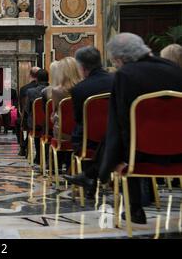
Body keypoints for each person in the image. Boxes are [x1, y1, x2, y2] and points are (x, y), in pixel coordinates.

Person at [69, 33, 182, 224]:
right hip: (179, 150)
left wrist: (116, 158)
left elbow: (121, 122)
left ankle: (134, 208)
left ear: (120, 59)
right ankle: (92, 174)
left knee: (124, 135)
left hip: (141, 154)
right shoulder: (174, 68)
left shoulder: (125, 75)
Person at [62, 46, 114, 195]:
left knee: (81, 132)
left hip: (88, 141)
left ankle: (89, 181)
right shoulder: (118, 80)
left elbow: (78, 119)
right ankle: (92, 177)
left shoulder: (80, 89)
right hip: (117, 137)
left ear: (81, 66)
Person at [50, 57, 82, 140]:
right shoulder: (84, 87)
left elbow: (54, 114)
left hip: (63, 132)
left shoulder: (56, 91)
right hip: (83, 131)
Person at [23, 69, 49, 162]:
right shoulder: (53, 90)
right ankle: (47, 155)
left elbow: (27, 109)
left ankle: (38, 156)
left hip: (36, 124)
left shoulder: (31, 92)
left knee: (36, 123)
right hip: (50, 123)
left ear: (36, 79)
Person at [17, 67, 40, 155]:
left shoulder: (24, 89)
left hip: (29, 120)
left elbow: (23, 107)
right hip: (46, 121)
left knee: (18, 122)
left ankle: (22, 146)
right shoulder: (48, 88)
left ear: (30, 75)